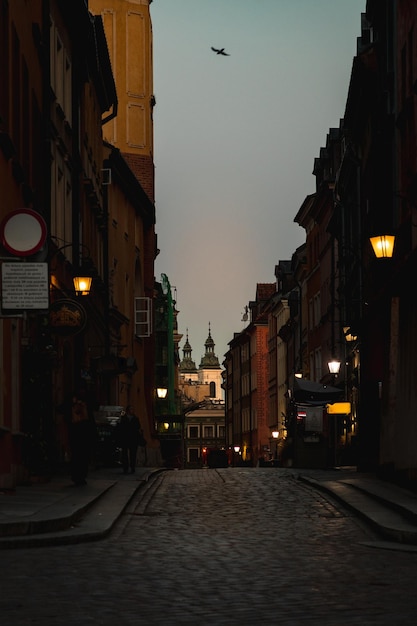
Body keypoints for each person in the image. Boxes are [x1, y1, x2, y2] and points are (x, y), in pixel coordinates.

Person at [58, 389, 97, 485]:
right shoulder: (71, 402)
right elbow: (61, 409)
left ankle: (79, 476)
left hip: (81, 433)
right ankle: (78, 476)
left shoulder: (86, 402)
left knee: (80, 455)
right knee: (78, 455)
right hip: (76, 433)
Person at [117, 405, 141, 474]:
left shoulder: (136, 418)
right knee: (125, 454)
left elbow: (138, 427)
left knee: (133, 454)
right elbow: (121, 427)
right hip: (125, 438)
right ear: (128, 410)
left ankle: (132, 467)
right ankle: (125, 467)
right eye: (131, 409)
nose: (132, 411)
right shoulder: (123, 418)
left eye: (133, 409)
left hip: (133, 439)